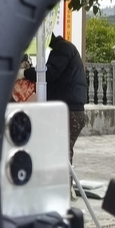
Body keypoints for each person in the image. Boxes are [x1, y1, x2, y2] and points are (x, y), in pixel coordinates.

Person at [25, 34, 88, 162]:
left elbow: (49, 73)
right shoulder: (65, 48)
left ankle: (64, 181)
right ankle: (63, 180)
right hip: (71, 110)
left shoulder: (63, 49)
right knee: (60, 152)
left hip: (69, 111)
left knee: (61, 154)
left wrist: (25, 73)